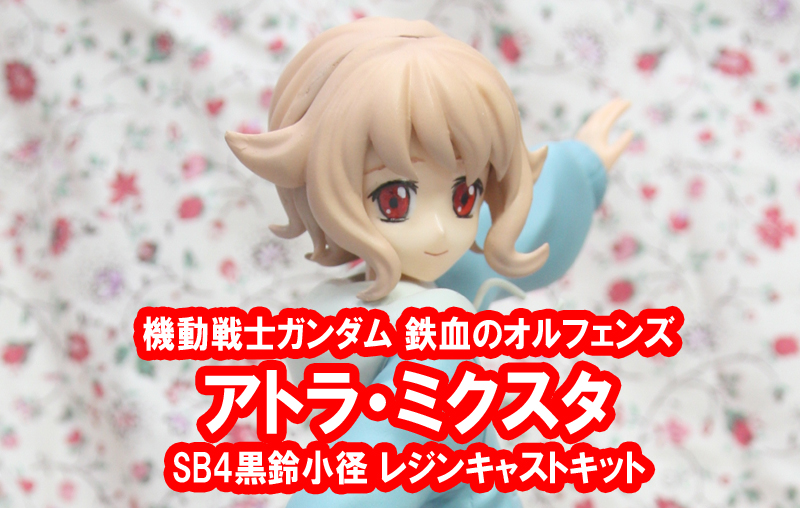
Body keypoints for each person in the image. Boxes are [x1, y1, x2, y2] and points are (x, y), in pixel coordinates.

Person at [225, 16, 631, 508]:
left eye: (465, 196)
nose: (440, 229)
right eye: (395, 199)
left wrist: (584, 170)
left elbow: (508, 245)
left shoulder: (350, 309)